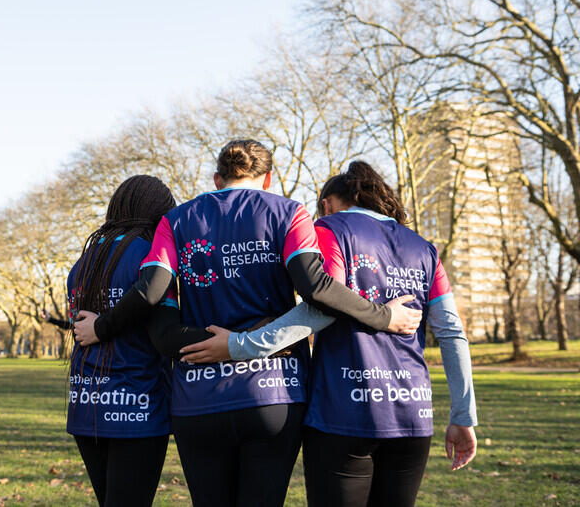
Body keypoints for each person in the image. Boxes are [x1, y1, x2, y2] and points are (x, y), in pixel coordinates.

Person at [73, 140, 423, 506]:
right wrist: (383, 315)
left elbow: (150, 293)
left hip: (198, 400)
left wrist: (102, 326)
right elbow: (318, 290)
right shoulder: (291, 213)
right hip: (273, 394)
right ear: (268, 178)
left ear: (216, 178)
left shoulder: (175, 221)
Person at [181, 161, 478, 507]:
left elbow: (320, 306)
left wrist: (239, 344)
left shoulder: (330, 229)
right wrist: (462, 416)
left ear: (327, 203)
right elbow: (453, 333)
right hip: (412, 416)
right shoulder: (424, 249)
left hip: (343, 414)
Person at [65, 174, 179, 507]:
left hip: (87, 403)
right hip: (138, 404)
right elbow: (161, 328)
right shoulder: (152, 255)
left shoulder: (84, 260)